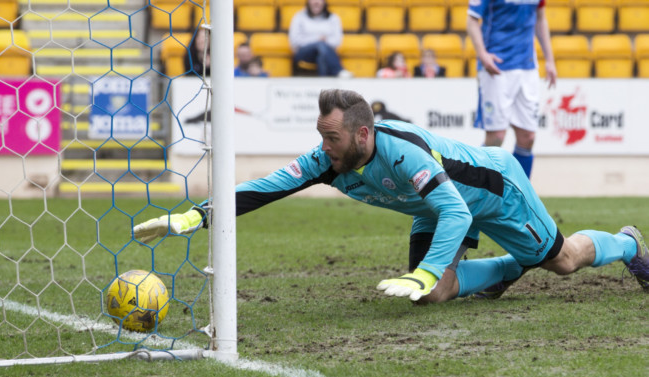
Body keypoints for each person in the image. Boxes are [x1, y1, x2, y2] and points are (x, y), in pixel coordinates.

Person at [133, 89, 649, 304]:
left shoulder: (402, 155)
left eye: (331, 138)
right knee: (436, 294)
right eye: (321, 136)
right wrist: (195, 217)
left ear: (362, 136)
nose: (322, 148)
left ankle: (627, 243)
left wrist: (423, 268)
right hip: (441, 204)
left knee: (561, 261)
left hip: (494, 191)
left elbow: (455, 208)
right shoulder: (331, 161)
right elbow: (266, 187)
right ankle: (508, 266)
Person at [467, 0, 556, 179]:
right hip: (496, 67)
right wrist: (482, 55)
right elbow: (472, 20)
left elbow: (540, 18)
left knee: (528, 137)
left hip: (527, 67)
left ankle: (520, 197)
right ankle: (481, 193)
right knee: (497, 136)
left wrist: (550, 59)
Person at [288, 0, 351, 77]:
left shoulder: (333, 18)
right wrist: (317, 39)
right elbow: (295, 41)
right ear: (308, 2)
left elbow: (337, 41)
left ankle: (324, 84)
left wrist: (325, 41)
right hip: (304, 53)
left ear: (324, 2)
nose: (316, 2)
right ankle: (338, 70)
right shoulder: (299, 17)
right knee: (321, 45)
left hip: (325, 53)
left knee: (321, 55)